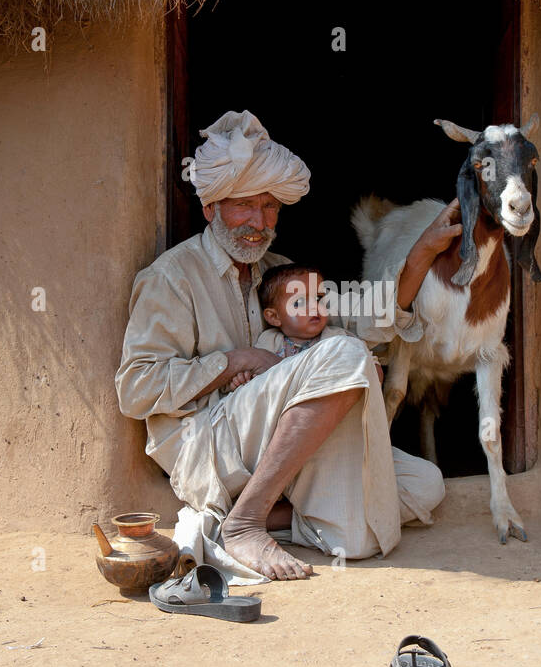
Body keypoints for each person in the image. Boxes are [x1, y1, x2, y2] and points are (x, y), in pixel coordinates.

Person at [115, 109, 462, 582]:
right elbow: (135, 388)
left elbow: (360, 312)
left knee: (422, 487)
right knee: (345, 355)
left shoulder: (278, 270)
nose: (258, 222)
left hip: (279, 440)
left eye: (270, 207)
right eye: (244, 206)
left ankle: (249, 517)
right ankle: (246, 521)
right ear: (210, 207)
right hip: (208, 443)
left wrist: (423, 252)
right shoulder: (171, 279)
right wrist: (232, 362)